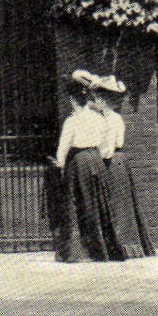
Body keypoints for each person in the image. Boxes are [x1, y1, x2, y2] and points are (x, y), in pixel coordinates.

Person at [52, 70, 116, 262]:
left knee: (76, 203)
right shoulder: (98, 118)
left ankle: (78, 252)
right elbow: (106, 145)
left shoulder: (71, 121)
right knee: (96, 203)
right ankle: (102, 248)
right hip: (96, 160)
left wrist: (60, 163)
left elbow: (63, 147)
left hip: (78, 162)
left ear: (72, 100)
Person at [90, 74, 154, 259]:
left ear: (103, 99)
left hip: (112, 163)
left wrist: (96, 158)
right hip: (120, 163)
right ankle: (128, 246)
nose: (96, 102)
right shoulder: (115, 118)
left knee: (117, 205)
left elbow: (107, 150)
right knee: (123, 205)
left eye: (97, 98)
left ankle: (122, 247)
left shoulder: (109, 120)